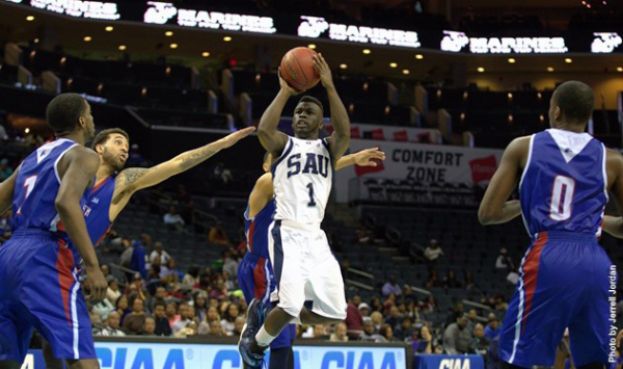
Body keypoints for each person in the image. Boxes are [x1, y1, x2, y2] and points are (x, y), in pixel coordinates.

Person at [479, 80, 622, 369]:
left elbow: (488, 213)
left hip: (550, 254)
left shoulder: (523, 146)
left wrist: (530, 203)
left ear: (555, 112)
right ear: (588, 115)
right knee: (595, 362)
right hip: (597, 264)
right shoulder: (613, 160)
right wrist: (592, 221)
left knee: (508, 357)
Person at [239, 53, 352, 369]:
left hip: (315, 236)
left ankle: (265, 313)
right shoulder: (283, 145)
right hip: (286, 231)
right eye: (299, 111)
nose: (302, 114)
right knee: (288, 307)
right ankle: (255, 344)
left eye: (309, 111)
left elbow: (344, 134)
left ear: (321, 121)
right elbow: (263, 130)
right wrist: (286, 92)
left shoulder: (328, 149)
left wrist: (329, 87)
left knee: (333, 313)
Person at [237, 147, 384, 368]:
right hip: (262, 267)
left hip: (287, 263)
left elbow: (314, 171)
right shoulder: (266, 182)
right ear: (266, 166)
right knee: (274, 338)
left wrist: (353, 159)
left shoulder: (293, 194)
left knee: (285, 334)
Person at [0, 93, 106, 369]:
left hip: (9, 254)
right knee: (78, 351)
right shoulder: (83, 155)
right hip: (44, 253)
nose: (92, 120)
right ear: (82, 120)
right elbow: (65, 201)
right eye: (91, 114)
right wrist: (93, 266)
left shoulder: (32, 158)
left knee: (8, 358)